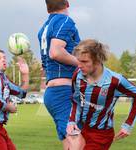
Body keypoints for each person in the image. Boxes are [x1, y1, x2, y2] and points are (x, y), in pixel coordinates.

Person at [66, 39, 136, 150]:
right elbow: (76, 101)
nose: (79, 65)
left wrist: (128, 124)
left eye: (84, 62)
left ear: (97, 61)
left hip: (101, 134)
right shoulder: (77, 76)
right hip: (81, 128)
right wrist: (72, 121)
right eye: (78, 61)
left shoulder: (115, 81)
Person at [38, 0, 80, 149]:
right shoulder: (64, 20)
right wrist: (82, 64)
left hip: (53, 92)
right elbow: (55, 52)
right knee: (77, 139)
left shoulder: (44, 28)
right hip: (63, 92)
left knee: (69, 141)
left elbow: (45, 63)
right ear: (67, 3)